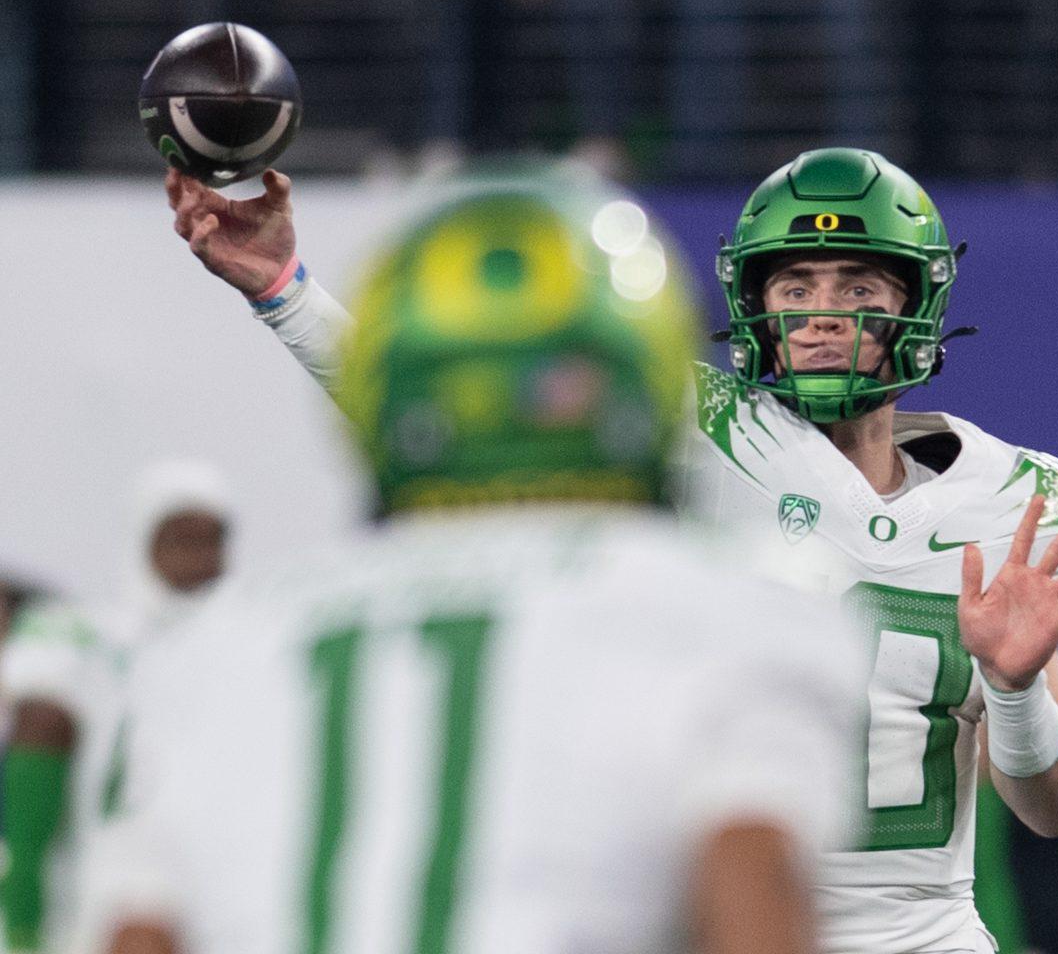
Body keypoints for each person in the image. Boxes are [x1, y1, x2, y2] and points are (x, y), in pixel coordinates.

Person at [159, 146, 1058, 954]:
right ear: (755, 304)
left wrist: (1018, 687)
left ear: (916, 302)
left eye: (857, 283)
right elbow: (471, 408)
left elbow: (1052, 810)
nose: (823, 313)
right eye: (796, 283)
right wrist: (286, 290)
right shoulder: (695, 429)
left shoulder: (1015, 497)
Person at [80, 170, 867, 954]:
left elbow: (139, 934)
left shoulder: (208, 648)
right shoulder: (736, 603)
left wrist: (287, 291)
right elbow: (751, 889)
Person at [0, 459, 232, 954]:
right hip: (103, 899)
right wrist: (23, 921)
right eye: (180, 538)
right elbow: (39, 740)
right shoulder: (89, 640)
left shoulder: (253, 648)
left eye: (211, 541)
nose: (198, 558)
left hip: (221, 901)